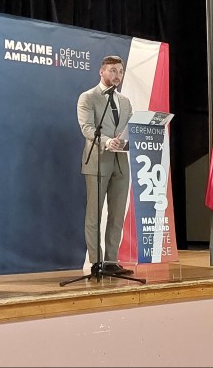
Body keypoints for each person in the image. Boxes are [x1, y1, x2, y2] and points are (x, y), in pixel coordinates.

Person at [76, 55, 133, 276]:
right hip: (98, 161)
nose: (117, 75)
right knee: (94, 214)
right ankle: (96, 262)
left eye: (120, 71)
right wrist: (107, 141)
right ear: (102, 72)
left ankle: (110, 261)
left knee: (117, 214)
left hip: (121, 163)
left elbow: (129, 129)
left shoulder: (125, 102)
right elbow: (87, 128)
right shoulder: (88, 97)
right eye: (112, 70)